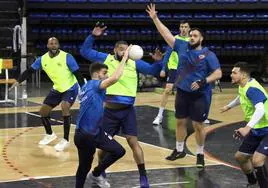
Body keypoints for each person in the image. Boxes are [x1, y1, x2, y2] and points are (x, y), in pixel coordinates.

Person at [80, 22, 162, 187]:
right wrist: (93, 35)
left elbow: (153, 70)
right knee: (103, 148)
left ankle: (143, 177)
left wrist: (159, 62)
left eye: (126, 50)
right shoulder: (107, 59)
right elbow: (84, 51)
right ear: (115, 50)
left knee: (133, 142)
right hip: (109, 111)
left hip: (127, 111)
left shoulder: (134, 63)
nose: (124, 52)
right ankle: (100, 173)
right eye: (121, 49)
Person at [146, 4, 222, 167]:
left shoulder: (208, 55)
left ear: (201, 39)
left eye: (195, 35)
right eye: (191, 35)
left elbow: (218, 74)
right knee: (180, 121)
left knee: (197, 125)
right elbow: (166, 34)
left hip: (200, 94)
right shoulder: (182, 46)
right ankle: (179, 150)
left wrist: (203, 81)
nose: (191, 37)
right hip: (182, 91)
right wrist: (155, 18)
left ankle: (200, 154)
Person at [10, 37, 85, 151]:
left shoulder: (67, 57)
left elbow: (78, 74)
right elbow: (30, 70)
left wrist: (84, 90)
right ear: (48, 46)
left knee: (65, 106)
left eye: (56, 43)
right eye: (51, 43)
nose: (54, 45)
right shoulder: (42, 59)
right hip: (57, 88)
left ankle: (65, 140)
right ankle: (50, 134)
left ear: (58, 45)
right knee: (43, 111)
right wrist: (19, 81)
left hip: (70, 87)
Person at [75, 46, 130, 188]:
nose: (106, 75)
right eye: (104, 73)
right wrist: (124, 58)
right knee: (83, 167)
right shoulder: (94, 85)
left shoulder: (87, 87)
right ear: (97, 74)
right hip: (86, 135)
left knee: (118, 151)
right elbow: (115, 78)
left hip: (93, 132)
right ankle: (90, 177)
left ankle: (96, 174)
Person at [220, 62, 268, 188]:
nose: (231, 75)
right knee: (241, 157)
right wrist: (228, 106)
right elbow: (240, 96)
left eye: (234, 73)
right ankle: (253, 182)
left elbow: (260, 110)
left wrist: (247, 128)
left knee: (257, 160)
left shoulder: (252, 89)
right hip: (258, 128)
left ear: (244, 75)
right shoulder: (243, 85)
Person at [153, 21, 190, 125]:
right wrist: (163, 69)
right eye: (181, 26)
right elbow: (168, 54)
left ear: (189, 29)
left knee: (185, 93)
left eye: (185, 27)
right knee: (167, 90)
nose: (183, 28)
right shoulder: (174, 40)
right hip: (174, 68)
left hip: (186, 70)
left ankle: (191, 115)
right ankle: (159, 115)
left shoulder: (192, 41)